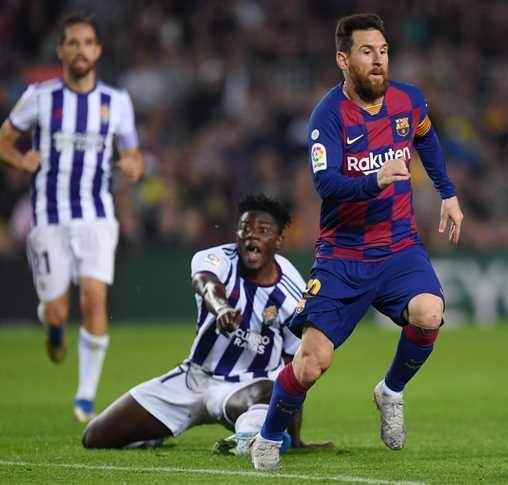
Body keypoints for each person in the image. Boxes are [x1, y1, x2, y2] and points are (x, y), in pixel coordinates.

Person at [250, 13, 464, 470]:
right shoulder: (328, 116)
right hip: (343, 256)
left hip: (400, 248)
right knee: (312, 362)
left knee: (430, 312)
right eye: (367, 52)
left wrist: (448, 193)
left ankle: (390, 391)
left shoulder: (408, 100)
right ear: (343, 60)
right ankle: (267, 439)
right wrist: (375, 179)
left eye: (383, 51)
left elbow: (426, 137)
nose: (378, 60)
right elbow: (325, 183)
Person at [82, 195, 330, 453]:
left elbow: (295, 366)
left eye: (263, 230)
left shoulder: (292, 293)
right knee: (96, 437)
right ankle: (236, 436)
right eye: (245, 228)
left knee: (270, 390)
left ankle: (253, 435)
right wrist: (221, 308)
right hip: (193, 378)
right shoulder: (217, 258)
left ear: (279, 240)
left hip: (247, 387)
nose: (251, 236)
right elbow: (206, 283)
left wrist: (297, 436)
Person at [0, 13, 144, 422]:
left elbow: (133, 153)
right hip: (48, 218)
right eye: (73, 43)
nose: (81, 50)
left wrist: (133, 165)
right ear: (61, 50)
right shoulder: (39, 97)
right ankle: (52, 325)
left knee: (94, 298)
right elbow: (4, 140)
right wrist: (21, 160)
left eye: (88, 43)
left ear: (98, 51)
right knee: (58, 310)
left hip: (97, 215)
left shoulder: (116, 102)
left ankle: (85, 398)